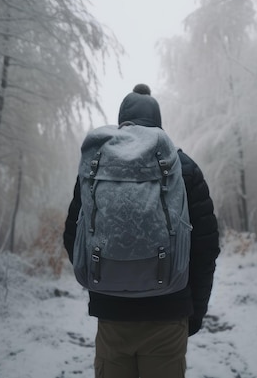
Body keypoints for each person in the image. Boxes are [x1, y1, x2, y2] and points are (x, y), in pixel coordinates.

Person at [63, 83, 220, 378]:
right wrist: (194, 311)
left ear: (122, 121)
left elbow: (73, 236)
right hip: (169, 314)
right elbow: (205, 248)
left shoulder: (98, 167)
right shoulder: (182, 168)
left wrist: (107, 279)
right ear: (158, 122)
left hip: (112, 317)